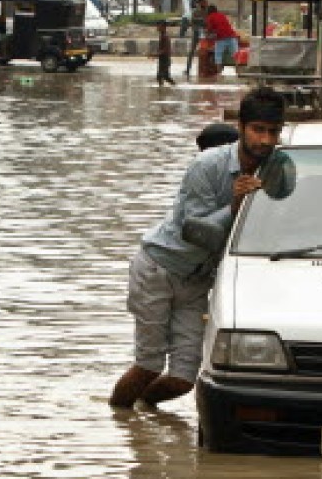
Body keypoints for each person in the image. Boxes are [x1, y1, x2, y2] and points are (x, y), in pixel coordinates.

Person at [109, 87, 287, 408]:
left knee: (183, 380)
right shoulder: (207, 165)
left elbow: (289, 202)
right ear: (242, 128)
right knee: (148, 365)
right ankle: (119, 417)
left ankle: (139, 416)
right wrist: (234, 204)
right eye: (258, 130)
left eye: (273, 132)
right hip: (159, 269)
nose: (265, 140)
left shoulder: (275, 167)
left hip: (196, 281)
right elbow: (194, 230)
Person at [204, 4, 239, 75]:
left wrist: (207, 35)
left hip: (221, 38)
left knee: (218, 56)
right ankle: (238, 72)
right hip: (231, 36)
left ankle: (219, 74)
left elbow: (209, 29)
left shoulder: (210, 17)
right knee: (236, 55)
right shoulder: (222, 15)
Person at [184, 0, 208, 77]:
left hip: (206, 34)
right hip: (196, 33)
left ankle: (205, 69)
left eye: (206, 1)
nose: (206, 3)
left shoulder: (208, 10)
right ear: (200, 2)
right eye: (204, 1)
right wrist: (201, 21)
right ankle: (187, 69)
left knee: (206, 52)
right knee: (192, 51)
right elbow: (192, 21)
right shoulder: (195, 11)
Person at [150, 20, 176, 87]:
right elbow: (162, 49)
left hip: (165, 60)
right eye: (157, 26)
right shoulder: (162, 36)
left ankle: (172, 87)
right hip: (163, 59)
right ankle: (162, 89)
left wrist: (155, 54)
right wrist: (156, 54)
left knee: (163, 76)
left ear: (164, 27)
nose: (157, 27)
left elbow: (165, 49)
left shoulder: (165, 36)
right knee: (163, 76)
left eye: (159, 26)